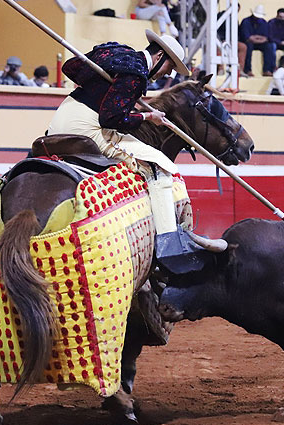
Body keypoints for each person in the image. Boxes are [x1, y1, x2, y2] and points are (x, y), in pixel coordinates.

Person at [46, 31, 203, 272]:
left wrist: (97, 88)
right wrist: (148, 117)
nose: (167, 74)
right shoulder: (137, 73)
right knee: (159, 164)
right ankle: (168, 247)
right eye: (169, 66)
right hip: (87, 127)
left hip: (63, 116)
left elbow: (71, 67)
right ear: (159, 55)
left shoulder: (116, 52)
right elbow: (112, 120)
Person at [239, 5, 275, 76]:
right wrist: (259, 38)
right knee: (248, 46)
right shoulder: (246, 21)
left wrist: (255, 38)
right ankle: (247, 70)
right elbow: (248, 37)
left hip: (259, 43)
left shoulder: (264, 22)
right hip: (248, 42)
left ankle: (267, 70)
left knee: (270, 46)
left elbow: (266, 37)